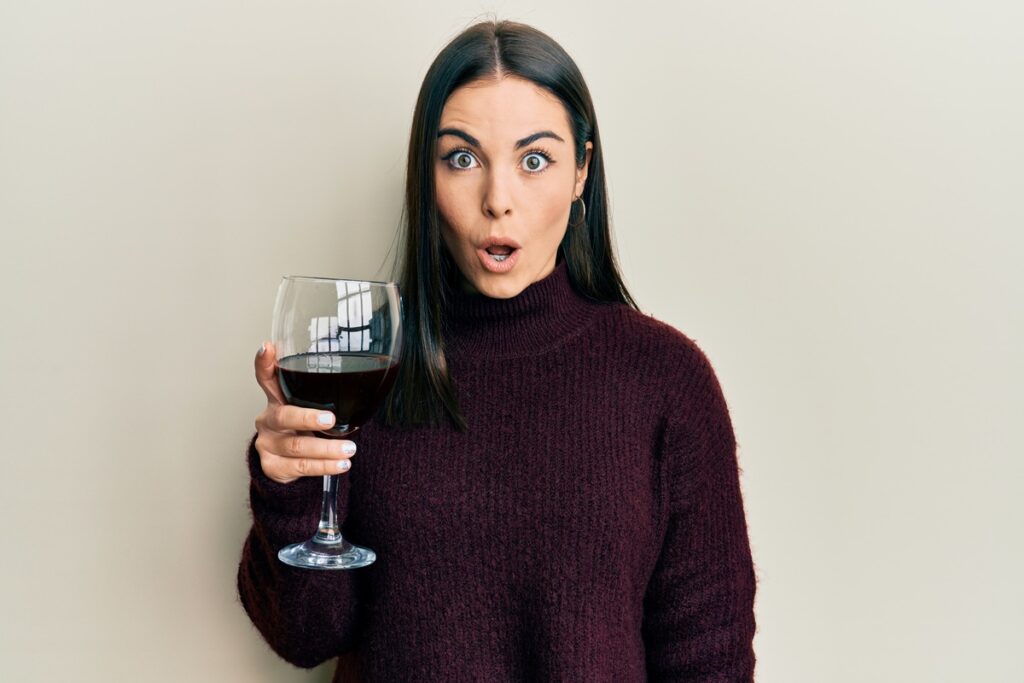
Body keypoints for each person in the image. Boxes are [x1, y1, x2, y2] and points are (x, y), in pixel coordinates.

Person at [238, 19, 757, 682]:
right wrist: (285, 488)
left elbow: (708, 660)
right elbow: (305, 635)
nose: (497, 200)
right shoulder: (359, 361)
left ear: (582, 172)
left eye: (534, 160)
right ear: (425, 176)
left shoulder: (665, 380)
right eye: (461, 158)